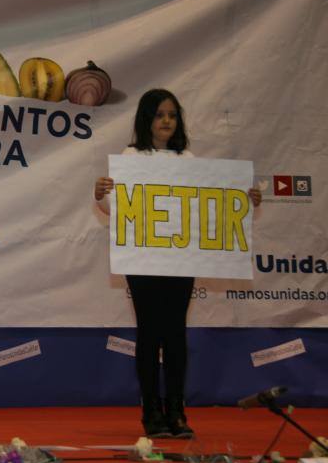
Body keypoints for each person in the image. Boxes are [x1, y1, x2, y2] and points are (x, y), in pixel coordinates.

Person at [94, 89, 262, 439]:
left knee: (175, 336)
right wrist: (102, 193)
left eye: (171, 114)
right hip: (142, 262)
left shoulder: (188, 158)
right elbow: (115, 208)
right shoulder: (130, 156)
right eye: (159, 115)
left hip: (180, 260)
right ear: (146, 120)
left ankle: (177, 412)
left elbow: (209, 204)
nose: (166, 121)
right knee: (149, 334)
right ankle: (151, 413)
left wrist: (243, 198)